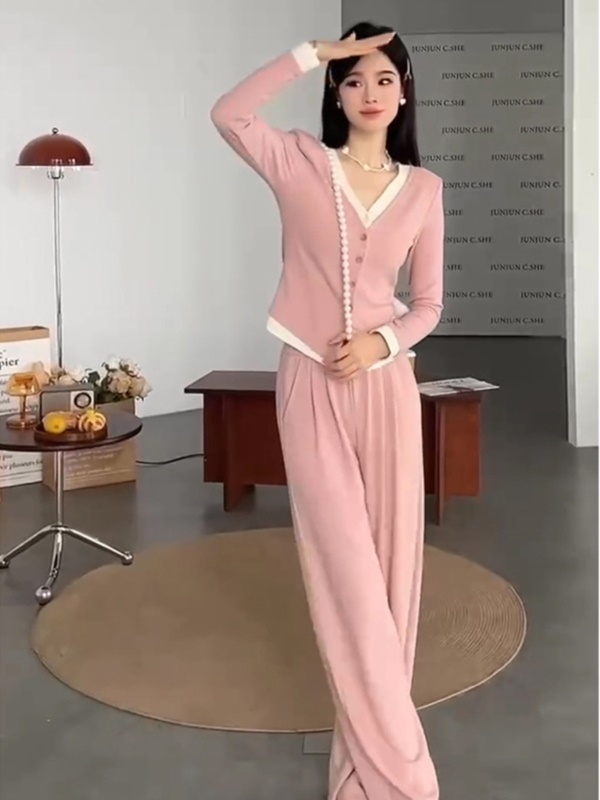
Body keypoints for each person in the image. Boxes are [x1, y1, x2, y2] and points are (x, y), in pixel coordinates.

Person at [211, 20, 443, 800]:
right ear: (335, 93)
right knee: (346, 574)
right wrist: (312, 54)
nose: (369, 92)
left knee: (393, 575)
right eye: (353, 79)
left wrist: (382, 343)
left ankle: (364, 756)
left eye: (384, 78)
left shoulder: (425, 190)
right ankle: (404, 773)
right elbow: (229, 114)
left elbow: (429, 304)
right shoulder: (298, 163)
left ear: (404, 92)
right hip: (309, 385)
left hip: (387, 389)